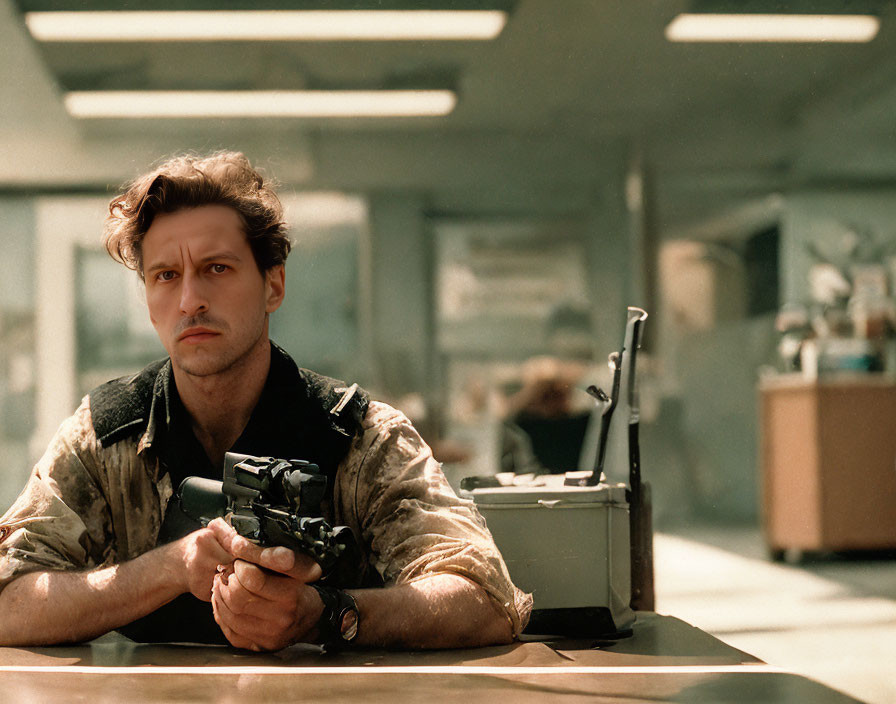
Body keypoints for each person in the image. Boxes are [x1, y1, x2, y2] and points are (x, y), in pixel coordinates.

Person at [0, 152, 531, 651]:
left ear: (273, 285)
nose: (190, 301)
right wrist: (169, 568)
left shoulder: (359, 437)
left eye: (217, 268)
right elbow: (9, 600)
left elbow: (485, 599)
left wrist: (328, 615)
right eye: (166, 276)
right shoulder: (106, 433)